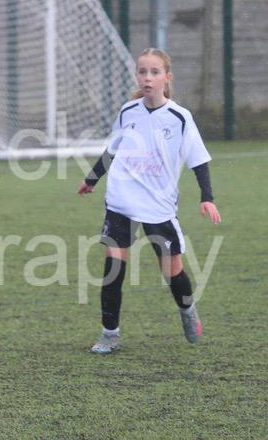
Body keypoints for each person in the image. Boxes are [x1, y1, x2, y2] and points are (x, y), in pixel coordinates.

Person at [77, 48, 221, 354]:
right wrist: (91, 179)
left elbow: (198, 160)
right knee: (113, 268)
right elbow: (113, 150)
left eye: (154, 72)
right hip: (121, 200)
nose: (147, 78)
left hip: (158, 205)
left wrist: (207, 198)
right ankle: (109, 333)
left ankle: (187, 310)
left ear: (167, 78)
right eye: (142, 71)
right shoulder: (128, 111)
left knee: (172, 271)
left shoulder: (180, 118)